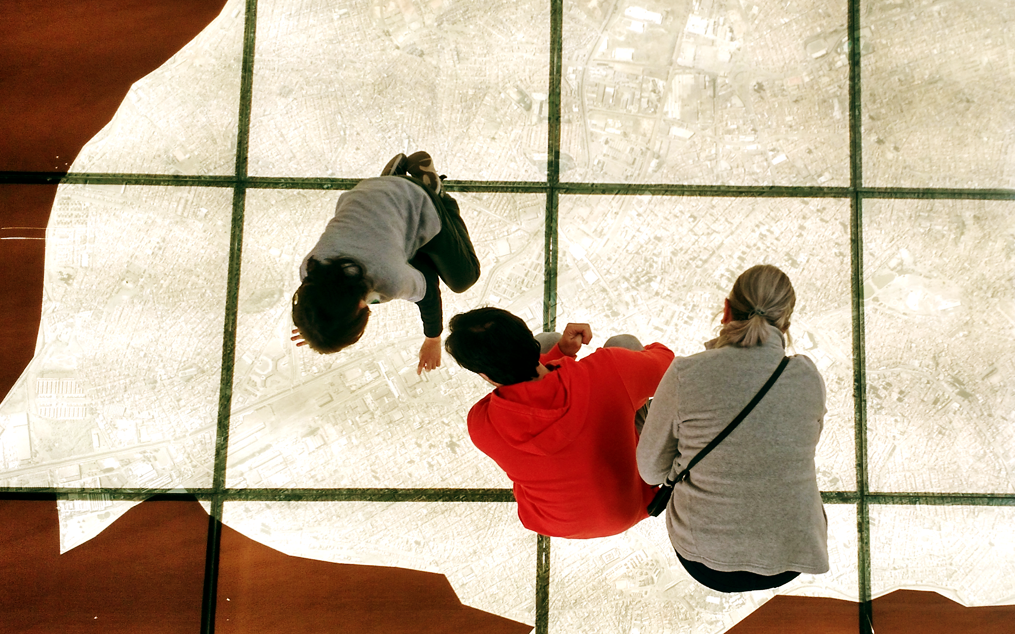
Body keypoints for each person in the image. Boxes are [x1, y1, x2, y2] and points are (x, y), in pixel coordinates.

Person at [637, 264, 828, 592]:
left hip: (706, 560)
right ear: (786, 323)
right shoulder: (807, 377)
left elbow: (651, 472)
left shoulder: (686, 373)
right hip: (792, 557)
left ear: (726, 309)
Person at [444, 307, 674, 539]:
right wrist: (624, 362)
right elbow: (669, 364)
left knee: (551, 341)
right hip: (634, 504)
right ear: (527, 337)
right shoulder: (610, 368)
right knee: (623, 342)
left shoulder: (480, 424)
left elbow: (522, 394)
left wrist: (561, 352)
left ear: (484, 374)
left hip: (556, 522)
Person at [291, 152, 480, 374]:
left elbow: (428, 289)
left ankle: (437, 193)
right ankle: (391, 179)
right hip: (366, 192)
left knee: (465, 278)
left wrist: (433, 339)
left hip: (415, 199)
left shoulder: (388, 278)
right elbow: (315, 298)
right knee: (400, 251)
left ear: (361, 306)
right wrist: (314, 326)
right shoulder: (310, 269)